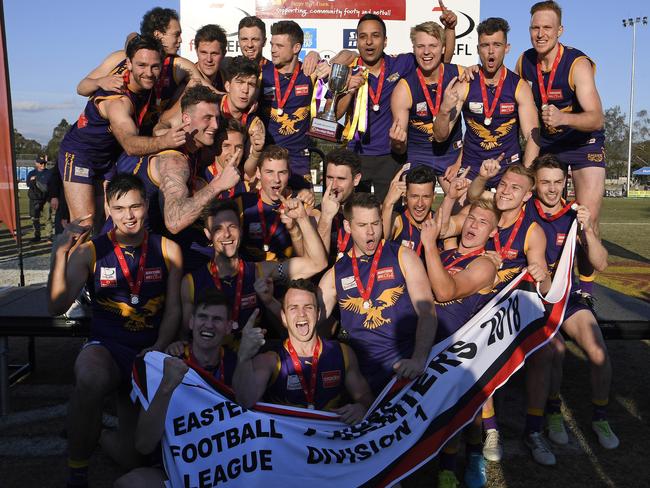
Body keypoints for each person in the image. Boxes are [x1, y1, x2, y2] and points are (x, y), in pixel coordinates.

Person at [47, 174, 183, 487]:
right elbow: (56, 306)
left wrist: (159, 348)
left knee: (135, 457)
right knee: (90, 376)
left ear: (147, 206)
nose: (129, 215)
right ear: (108, 209)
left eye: (135, 206)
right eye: (120, 208)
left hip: (148, 353)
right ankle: (77, 471)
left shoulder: (168, 250)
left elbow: (174, 309)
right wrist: (58, 254)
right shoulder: (89, 252)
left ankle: (100, 435)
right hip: (107, 348)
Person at [468, 160, 557, 467]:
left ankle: (534, 430)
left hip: (516, 310)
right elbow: (460, 211)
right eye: (503, 184)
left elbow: (544, 280)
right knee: (480, 349)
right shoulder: (483, 213)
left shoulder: (532, 230)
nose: (505, 191)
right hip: (480, 307)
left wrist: (541, 271)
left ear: (527, 196)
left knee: (545, 352)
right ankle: (491, 429)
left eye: (515, 188)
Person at [526, 154, 617, 450]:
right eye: (545, 182)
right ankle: (553, 411)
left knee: (598, 351)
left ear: (566, 181)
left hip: (568, 296)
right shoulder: (524, 211)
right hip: (533, 298)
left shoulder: (576, 213)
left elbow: (601, 264)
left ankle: (600, 416)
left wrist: (588, 229)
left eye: (557, 182)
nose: (552, 189)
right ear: (535, 184)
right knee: (555, 350)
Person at [516, 0, 606, 298]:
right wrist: (526, 172)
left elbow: (596, 116)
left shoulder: (577, 64)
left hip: (584, 144)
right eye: (535, 27)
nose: (540, 34)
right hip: (549, 143)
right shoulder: (524, 62)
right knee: (532, 209)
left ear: (560, 31)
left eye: (547, 28)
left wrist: (564, 117)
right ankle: (543, 279)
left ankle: (586, 292)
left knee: (586, 219)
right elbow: (532, 127)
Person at [114, 288, 245, 488]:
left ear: (229, 327)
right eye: (203, 317)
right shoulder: (167, 363)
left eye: (217, 319)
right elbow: (144, 444)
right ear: (191, 322)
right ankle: (102, 435)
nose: (208, 324)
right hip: (177, 467)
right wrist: (166, 387)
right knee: (129, 483)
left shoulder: (236, 364)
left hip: (227, 467)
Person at [59, 35, 187, 232]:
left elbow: (189, 71)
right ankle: (62, 261)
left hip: (108, 158)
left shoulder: (146, 77)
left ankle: (99, 262)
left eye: (155, 66)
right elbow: (130, 144)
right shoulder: (118, 100)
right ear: (128, 62)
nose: (149, 72)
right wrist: (165, 141)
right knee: (84, 226)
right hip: (80, 154)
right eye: (142, 65)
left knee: (109, 225)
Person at [318, 193, 437, 395]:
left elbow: (428, 312)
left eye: (375, 223)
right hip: (359, 377)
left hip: (404, 366)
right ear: (348, 227)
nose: (371, 232)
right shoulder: (335, 274)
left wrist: (418, 358)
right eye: (363, 225)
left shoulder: (403, 256)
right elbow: (312, 323)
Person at [334, 9, 457, 200]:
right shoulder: (347, 69)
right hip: (357, 154)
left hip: (392, 157)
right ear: (356, 41)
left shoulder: (402, 63)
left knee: (390, 216)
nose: (369, 42)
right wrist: (348, 89)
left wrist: (449, 29)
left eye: (375, 36)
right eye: (363, 37)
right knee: (356, 215)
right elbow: (336, 114)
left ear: (385, 41)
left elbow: (443, 58)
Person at [115, 85, 241, 271]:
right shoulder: (175, 161)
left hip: (144, 246)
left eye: (217, 118)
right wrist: (218, 185)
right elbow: (174, 222)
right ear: (186, 120)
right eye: (207, 118)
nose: (215, 125)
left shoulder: (192, 146)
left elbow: (163, 123)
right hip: (129, 259)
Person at [421, 198, 502, 488]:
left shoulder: (484, 264)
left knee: (460, 409)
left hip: (458, 349)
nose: (474, 225)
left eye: (483, 222)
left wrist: (429, 245)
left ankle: (463, 463)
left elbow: (444, 291)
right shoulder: (447, 255)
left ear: (492, 232)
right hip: (426, 341)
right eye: (471, 219)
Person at [181, 197, 328, 340]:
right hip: (214, 360)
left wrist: (302, 218)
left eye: (232, 226)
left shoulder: (260, 272)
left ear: (240, 229)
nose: (226, 234)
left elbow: (317, 263)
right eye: (218, 228)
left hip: (253, 359)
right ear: (208, 234)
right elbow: (186, 336)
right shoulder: (191, 283)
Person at [234, 279, 374, 422]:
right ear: (284, 317)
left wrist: (362, 407)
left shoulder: (343, 353)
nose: (301, 314)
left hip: (329, 442)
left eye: (308, 307)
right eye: (293, 308)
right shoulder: (270, 360)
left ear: (318, 314)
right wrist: (244, 356)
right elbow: (245, 400)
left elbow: (364, 395)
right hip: (289, 443)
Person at [433, 17, 540, 186]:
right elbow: (439, 137)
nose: (491, 51)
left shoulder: (519, 86)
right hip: (472, 168)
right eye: (485, 45)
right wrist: (444, 111)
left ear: (507, 48)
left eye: (497, 45)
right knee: (460, 210)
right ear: (477, 49)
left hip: (507, 169)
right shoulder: (465, 83)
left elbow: (532, 136)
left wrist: (526, 174)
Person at [76, 8, 206, 134]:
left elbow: (207, 88)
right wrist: (99, 82)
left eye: (154, 66)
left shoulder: (179, 64)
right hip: (97, 141)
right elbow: (81, 88)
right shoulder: (120, 57)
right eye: (176, 34)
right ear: (158, 34)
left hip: (141, 138)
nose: (180, 40)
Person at [389, 21, 464, 191]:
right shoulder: (404, 88)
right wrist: (397, 142)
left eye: (433, 46)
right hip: (418, 155)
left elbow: (476, 125)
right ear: (413, 49)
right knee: (415, 204)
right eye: (420, 46)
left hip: (451, 154)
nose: (427, 52)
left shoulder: (460, 75)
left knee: (462, 207)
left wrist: (460, 160)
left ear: (443, 48)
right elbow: (399, 149)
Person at [258, 21, 330, 190]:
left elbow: (347, 56)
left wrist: (317, 56)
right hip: (270, 159)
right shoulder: (262, 73)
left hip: (300, 160)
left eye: (280, 46)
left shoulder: (310, 72)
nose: (273, 50)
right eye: (272, 45)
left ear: (296, 47)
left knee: (307, 208)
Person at [237, 145, 303, 262]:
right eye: (269, 172)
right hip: (250, 275)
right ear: (258, 173)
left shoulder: (299, 206)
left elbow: (306, 260)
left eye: (282, 172)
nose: (276, 179)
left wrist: (294, 230)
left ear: (289, 174)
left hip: (284, 275)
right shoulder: (242, 203)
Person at [312, 148, 362, 262]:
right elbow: (316, 262)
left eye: (341, 179)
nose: (334, 185)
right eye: (330, 178)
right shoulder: (316, 214)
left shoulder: (366, 211)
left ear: (356, 179)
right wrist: (326, 217)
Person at [382, 164, 438, 259]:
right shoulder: (397, 218)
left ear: (434, 197)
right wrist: (388, 203)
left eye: (426, 197)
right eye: (414, 196)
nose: (420, 204)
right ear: (405, 196)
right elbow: (382, 238)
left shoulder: (438, 221)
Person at [26, 155, 56, 242]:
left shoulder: (49, 172)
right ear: (36, 163)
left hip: (47, 199)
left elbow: (52, 185)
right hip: (35, 199)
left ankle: (49, 236)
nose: (43, 165)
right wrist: (32, 181)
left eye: (44, 163)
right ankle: (37, 236)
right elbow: (28, 185)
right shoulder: (31, 173)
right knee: (35, 218)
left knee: (48, 218)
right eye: (41, 163)